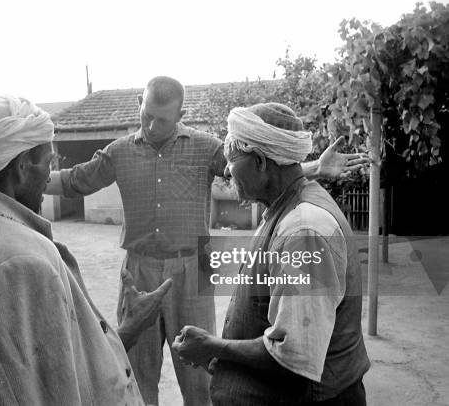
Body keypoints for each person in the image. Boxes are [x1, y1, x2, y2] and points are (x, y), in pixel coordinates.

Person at [45, 77, 369, 405]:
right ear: (138, 106)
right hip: (138, 270)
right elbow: (76, 180)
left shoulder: (205, 147)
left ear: (181, 113)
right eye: (147, 115)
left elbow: (264, 168)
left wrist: (313, 167)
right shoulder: (119, 152)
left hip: (191, 268)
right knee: (136, 373)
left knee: (198, 373)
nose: (153, 125)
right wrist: (23, 179)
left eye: (163, 119)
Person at [0, 95, 173, 405]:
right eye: (48, 163)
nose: (48, 178)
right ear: (23, 166)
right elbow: (51, 394)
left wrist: (129, 329)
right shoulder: (20, 261)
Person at [172, 103, 370, 405]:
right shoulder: (283, 205)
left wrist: (213, 347)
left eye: (232, 159)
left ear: (262, 162)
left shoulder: (304, 231)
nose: (226, 170)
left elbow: (293, 357)